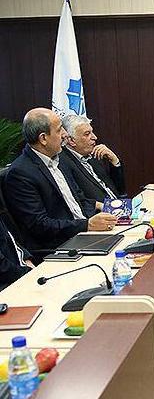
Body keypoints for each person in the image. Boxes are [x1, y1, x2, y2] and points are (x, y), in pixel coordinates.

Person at [3, 108, 117, 253]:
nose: (65, 134)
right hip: (60, 246)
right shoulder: (20, 173)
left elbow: (79, 199)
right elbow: (39, 225)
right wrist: (87, 225)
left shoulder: (59, 160)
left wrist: (104, 208)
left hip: (85, 235)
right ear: (43, 139)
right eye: (59, 130)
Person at [60, 115, 126, 203]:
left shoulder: (94, 154)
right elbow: (81, 201)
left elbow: (120, 191)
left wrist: (115, 162)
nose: (95, 137)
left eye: (92, 132)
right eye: (87, 134)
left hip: (118, 206)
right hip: (101, 210)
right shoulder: (64, 163)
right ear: (71, 141)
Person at [0, 218, 32, 291]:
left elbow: (10, 240)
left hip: (17, 272)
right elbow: (3, 267)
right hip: (7, 284)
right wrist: (27, 273)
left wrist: (26, 258)